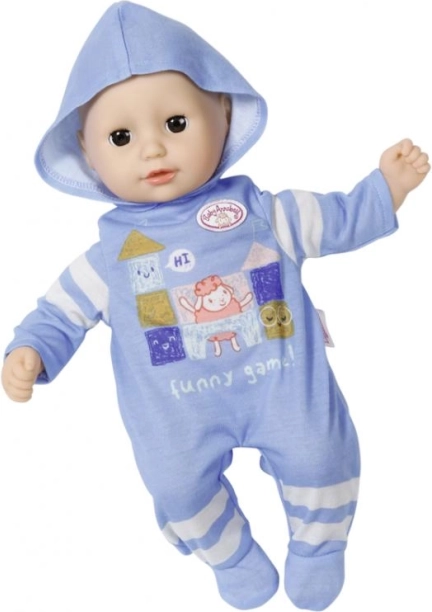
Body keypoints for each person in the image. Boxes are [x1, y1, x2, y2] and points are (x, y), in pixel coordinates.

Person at [1, 2, 429, 610]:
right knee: (176, 488)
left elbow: (337, 219)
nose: (153, 149)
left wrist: (386, 188)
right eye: (121, 137)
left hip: (283, 387)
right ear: (88, 153)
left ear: (223, 113)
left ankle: (319, 545)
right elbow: (58, 313)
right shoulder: (109, 258)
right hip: (175, 416)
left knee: (323, 453)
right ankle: (229, 554)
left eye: (176, 123)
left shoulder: (264, 212)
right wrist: (30, 350)